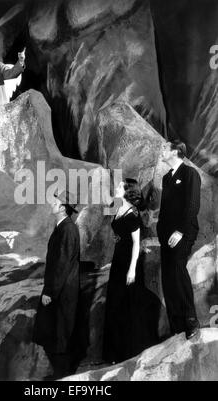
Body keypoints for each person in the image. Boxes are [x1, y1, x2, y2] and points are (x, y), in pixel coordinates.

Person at [103, 179, 160, 364]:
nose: (117, 188)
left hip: (129, 263)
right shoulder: (119, 209)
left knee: (128, 305)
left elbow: (136, 243)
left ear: (128, 192)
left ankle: (129, 352)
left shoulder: (132, 215)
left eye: (120, 186)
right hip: (118, 260)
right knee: (115, 304)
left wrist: (132, 269)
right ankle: (115, 353)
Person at [33, 191, 81, 380]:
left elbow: (62, 264)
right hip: (60, 289)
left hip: (62, 291)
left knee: (61, 332)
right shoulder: (63, 227)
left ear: (63, 208)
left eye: (56, 202)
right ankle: (61, 373)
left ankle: (64, 375)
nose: (52, 204)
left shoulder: (68, 229)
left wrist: (50, 292)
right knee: (56, 331)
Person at [157, 140, 201, 340]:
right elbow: (165, 210)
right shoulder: (167, 178)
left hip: (183, 233)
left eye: (165, 148)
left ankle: (190, 321)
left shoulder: (190, 173)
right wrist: (161, 232)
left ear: (176, 151)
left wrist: (181, 231)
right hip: (166, 235)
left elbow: (192, 205)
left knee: (177, 269)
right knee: (167, 276)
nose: (162, 151)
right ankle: (177, 325)